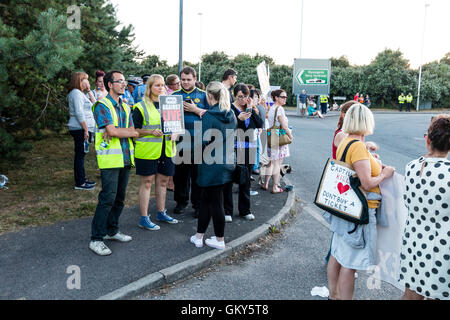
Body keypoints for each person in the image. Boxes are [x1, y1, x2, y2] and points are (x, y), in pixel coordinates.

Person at [326, 103, 395, 300]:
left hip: (346, 207)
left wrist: (369, 158)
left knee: (337, 254)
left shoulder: (347, 141)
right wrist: (384, 173)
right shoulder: (357, 146)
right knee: (350, 263)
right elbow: (366, 182)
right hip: (360, 212)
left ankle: (334, 295)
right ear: (366, 121)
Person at [89, 70, 139, 256]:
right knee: (107, 198)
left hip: (125, 158)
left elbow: (130, 130)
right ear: (109, 84)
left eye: (124, 81)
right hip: (110, 159)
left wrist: (124, 131)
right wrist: (124, 131)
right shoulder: (101, 106)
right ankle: (96, 239)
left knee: (119, 198)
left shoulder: (125, 107)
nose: (123, 84)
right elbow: (113, 131)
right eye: (119, 81)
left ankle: (112, 230)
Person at [399, 116, 449, 300]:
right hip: (443, 248)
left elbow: (408, 201)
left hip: (414, 240)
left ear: (428, 140)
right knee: (437, 294)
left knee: (411, 292)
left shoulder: (412, 167)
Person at [190, 82, 237, 250]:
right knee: (207, 200)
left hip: (211, 165)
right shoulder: (231, 114)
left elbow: (202, 142)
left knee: (215, 202)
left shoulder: (209, 116)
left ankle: (219, 239)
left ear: (210, 96)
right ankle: (199, 236)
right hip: (227, 163)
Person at [133, 74, 178, 231]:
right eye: (157, 85)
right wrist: (150, 131)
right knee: (147, 183)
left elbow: (177, 127)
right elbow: (135, 130)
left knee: (163, 182)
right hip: (147, 151)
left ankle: (161, 212)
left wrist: (175, 134)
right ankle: (144, 218)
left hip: (166, 150)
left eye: (162, 85)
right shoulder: (140, 106)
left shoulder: (171, 104)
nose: (161, 88)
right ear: (150, 87)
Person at [172, 66, 209, 217]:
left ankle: (198, 205)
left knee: (198, 176)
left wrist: (195, 110)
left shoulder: (204, 95)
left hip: (199, 142)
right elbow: (167, 118)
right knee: (180, 176)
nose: (186, 82)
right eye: (183, 79)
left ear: (195, 79)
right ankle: (181, 202)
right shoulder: (173, 96)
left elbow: (213, 115)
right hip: (180, 142)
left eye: (189, 79)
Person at [223, 83, 263, 222]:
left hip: (248, 149)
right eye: (240, 96)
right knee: (228, 180)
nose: (243, 99)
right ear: (234, 96)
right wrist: (237, 120)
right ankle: (227, 211)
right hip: (232, 149)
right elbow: (227, 127)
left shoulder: (250, 109)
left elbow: (259, 124)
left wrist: (251, 107)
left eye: (245, 96)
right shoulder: (229, 109)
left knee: (245, 181)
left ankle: (244, 210)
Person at [67, 71, 97, 190]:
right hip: (79, 128)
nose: (88, 82)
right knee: (80, 155)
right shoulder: (76, 93)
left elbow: (95, 104)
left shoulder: (80, 93)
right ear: (80, 81)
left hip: (82, 128)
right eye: (86, 79)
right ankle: (80, 183)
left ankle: (82, 179)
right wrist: (85, 129)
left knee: (82, 154)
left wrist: (89, 91)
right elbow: (79, 113)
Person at [262, 89, 293, 194]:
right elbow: (284, 126)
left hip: (272, 135)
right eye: (282, 97)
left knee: (271, 162)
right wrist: (290, 135)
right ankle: (275, 187)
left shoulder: (272, 108)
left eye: (285, 97)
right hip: (279, 136)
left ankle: (266, 183)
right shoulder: (279, 109)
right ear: (276, 97)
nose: (285, 99)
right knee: (277, 163)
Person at [250, 89, 266, 176]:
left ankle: (254, 167)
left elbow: (260, 122)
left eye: (257, 97)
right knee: (253, 152)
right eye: (255, 97)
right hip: (249, 135)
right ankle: (253, 169)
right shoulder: (250, 109)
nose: (257, 98)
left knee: (257, 150)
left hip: (255, 133)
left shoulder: (256, 108)